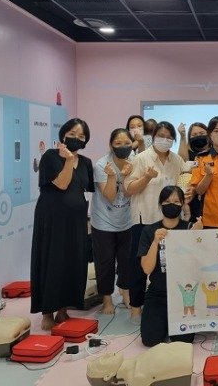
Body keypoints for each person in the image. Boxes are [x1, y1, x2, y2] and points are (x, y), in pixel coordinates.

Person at [30, 118, 94, 330]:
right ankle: (47, 311)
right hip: (51, 218)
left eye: (81, 136)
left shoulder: (86, 163)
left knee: (73, 261)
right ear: (63, 135)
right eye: (72, 134)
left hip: (76, 220)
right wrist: (68, 160)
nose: (77, 139)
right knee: (51, 260)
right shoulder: (51, 156)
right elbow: (62, 184)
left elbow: (88, 191)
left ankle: (63, 308)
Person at [125, 121, 186, 322]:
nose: (165, 140)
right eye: (161, 135)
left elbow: (182, 185)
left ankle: (166, 304)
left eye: (169, 137)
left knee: (166, 266)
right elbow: (128, 189)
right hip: (144, 219)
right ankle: (136, 307)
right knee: (139, 266)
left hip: (169, 221)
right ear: (153, 137)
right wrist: (146, 177)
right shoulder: (141, 158)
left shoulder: (176, 160)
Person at [137, 186, 203, 347]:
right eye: (167, 202)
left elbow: (198, 265)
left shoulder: (189, 228)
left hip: (184, 294)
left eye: (176, 201)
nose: (171, 205)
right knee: (150, 340)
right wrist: (155, 242)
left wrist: (198, 237)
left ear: (182, 204)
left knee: (183, 341)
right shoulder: (149, 230)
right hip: (158, 292)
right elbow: (146, 269)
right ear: (160, 205)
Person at [90, 128, 134, 314]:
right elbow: (109, 196)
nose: (123, 147)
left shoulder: (134, 160)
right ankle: (107, 300)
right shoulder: (102, 164)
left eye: (127, 143)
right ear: (110, 145)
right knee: (105, 262)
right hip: (103, 222)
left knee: (127, 261)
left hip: (127, 220)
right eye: (118, 143)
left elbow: (131, 191)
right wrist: (115, 176)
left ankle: (126, 294)